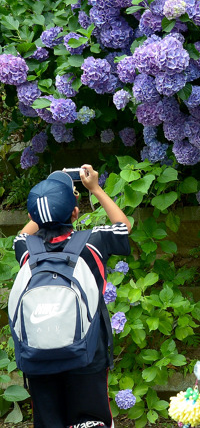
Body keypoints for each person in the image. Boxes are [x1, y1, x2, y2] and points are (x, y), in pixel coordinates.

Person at [14, 164, 132, 428]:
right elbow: (123, 227)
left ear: (34, 215)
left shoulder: (24, 248)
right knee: (92, 421)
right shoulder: (93, 243)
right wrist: (94, 188)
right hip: (88, 354)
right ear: (76, 212)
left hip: (38, 356)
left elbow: (24, 233)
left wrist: (47, 198)